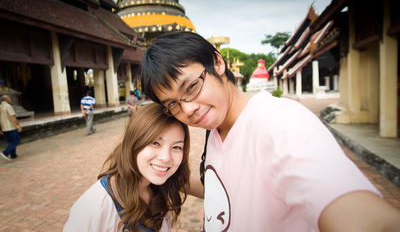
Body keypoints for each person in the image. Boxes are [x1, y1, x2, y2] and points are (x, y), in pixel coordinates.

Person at [140, 31, 400, 231]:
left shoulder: (279, 122)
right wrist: (157, 172)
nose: (188, 110)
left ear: (217, 63)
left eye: (191, 88)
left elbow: (358, 215)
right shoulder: (216, 127)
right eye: (173, 104)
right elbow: (224, 190)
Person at [64, 103, 191, 231]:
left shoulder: (161, 189)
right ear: (134, 143)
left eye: (176, 147)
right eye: (155, 143)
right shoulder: (94, 206)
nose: (165, 158)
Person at [0, 94, 22, 160]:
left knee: (10, 141)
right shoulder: (8, 106)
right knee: (16, 141)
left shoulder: (0, 106)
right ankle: (5, 153)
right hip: (11, 127)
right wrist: (18, 125)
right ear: (6, 99)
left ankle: (13, 155)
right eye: (10, 98)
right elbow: (13, 117)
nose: (10, 99)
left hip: (4, 128)